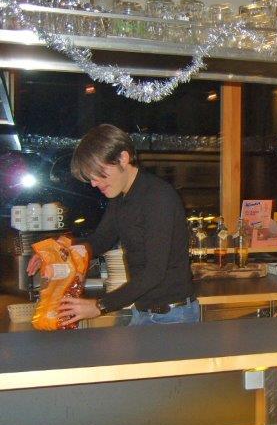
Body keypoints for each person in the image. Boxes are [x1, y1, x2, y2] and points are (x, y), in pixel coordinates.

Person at [27, 124, 200, 326]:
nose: (93, 183)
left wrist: (99, 306)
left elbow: (154, 272)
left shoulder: (158, 196)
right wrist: (55, 249)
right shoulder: (121, 198)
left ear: (123, 159)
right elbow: (100, 241)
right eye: (90, 177)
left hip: (173, 317)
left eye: (98, 174)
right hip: (145, 312)